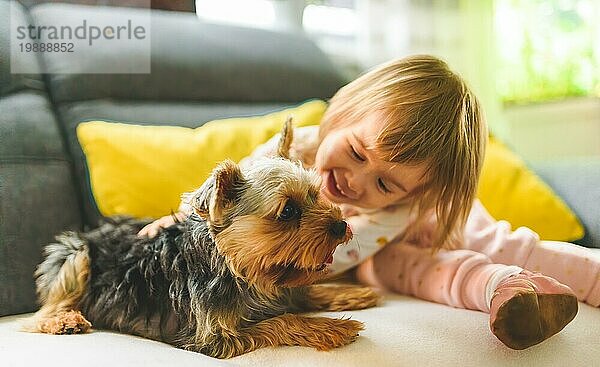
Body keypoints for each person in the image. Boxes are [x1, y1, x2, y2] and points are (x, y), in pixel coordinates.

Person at [138, 55, 599, 350]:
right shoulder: (284, 159)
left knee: (494, 246)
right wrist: (172, 222)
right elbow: (224, 209)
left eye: (384, 183)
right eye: (357, 153)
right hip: (366, 260)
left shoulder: (408, 205)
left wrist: (398, 203)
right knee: (420, 270)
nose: (355, 183)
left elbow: (364, 234)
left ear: (412, 190)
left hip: (394, 234)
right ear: (341, 115)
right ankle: (505, 293)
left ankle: (587, 276)